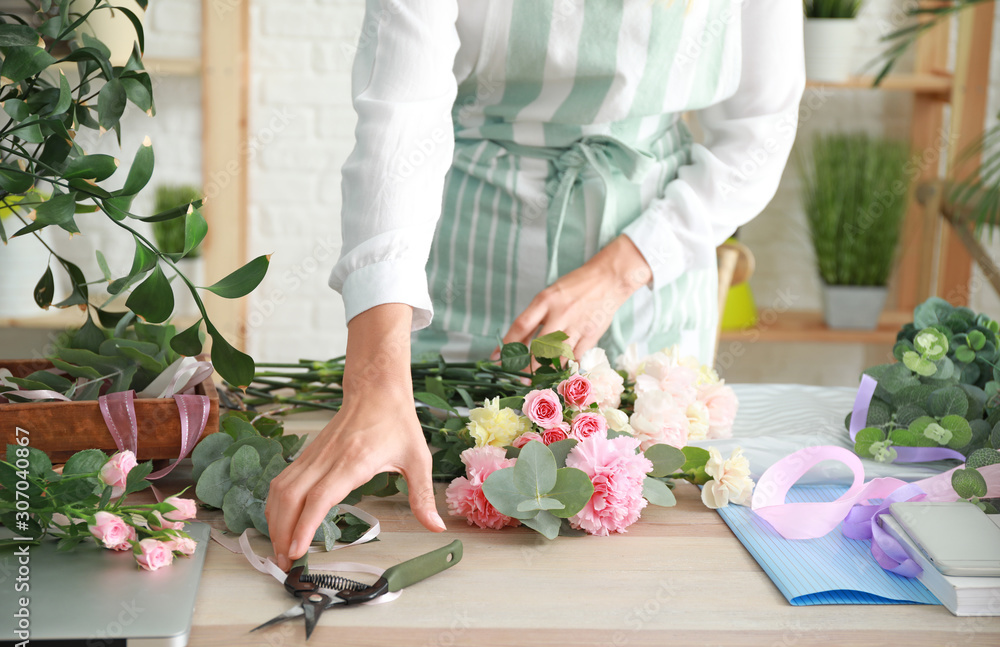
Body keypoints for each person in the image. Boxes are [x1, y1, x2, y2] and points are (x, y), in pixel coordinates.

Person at [266, 0, 805, 569]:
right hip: (471, 268)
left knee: (644, 542)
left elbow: (761, 127)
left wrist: (624, 267)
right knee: (463, 515)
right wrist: (375, 381)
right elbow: (400, 122)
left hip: (654, 270)